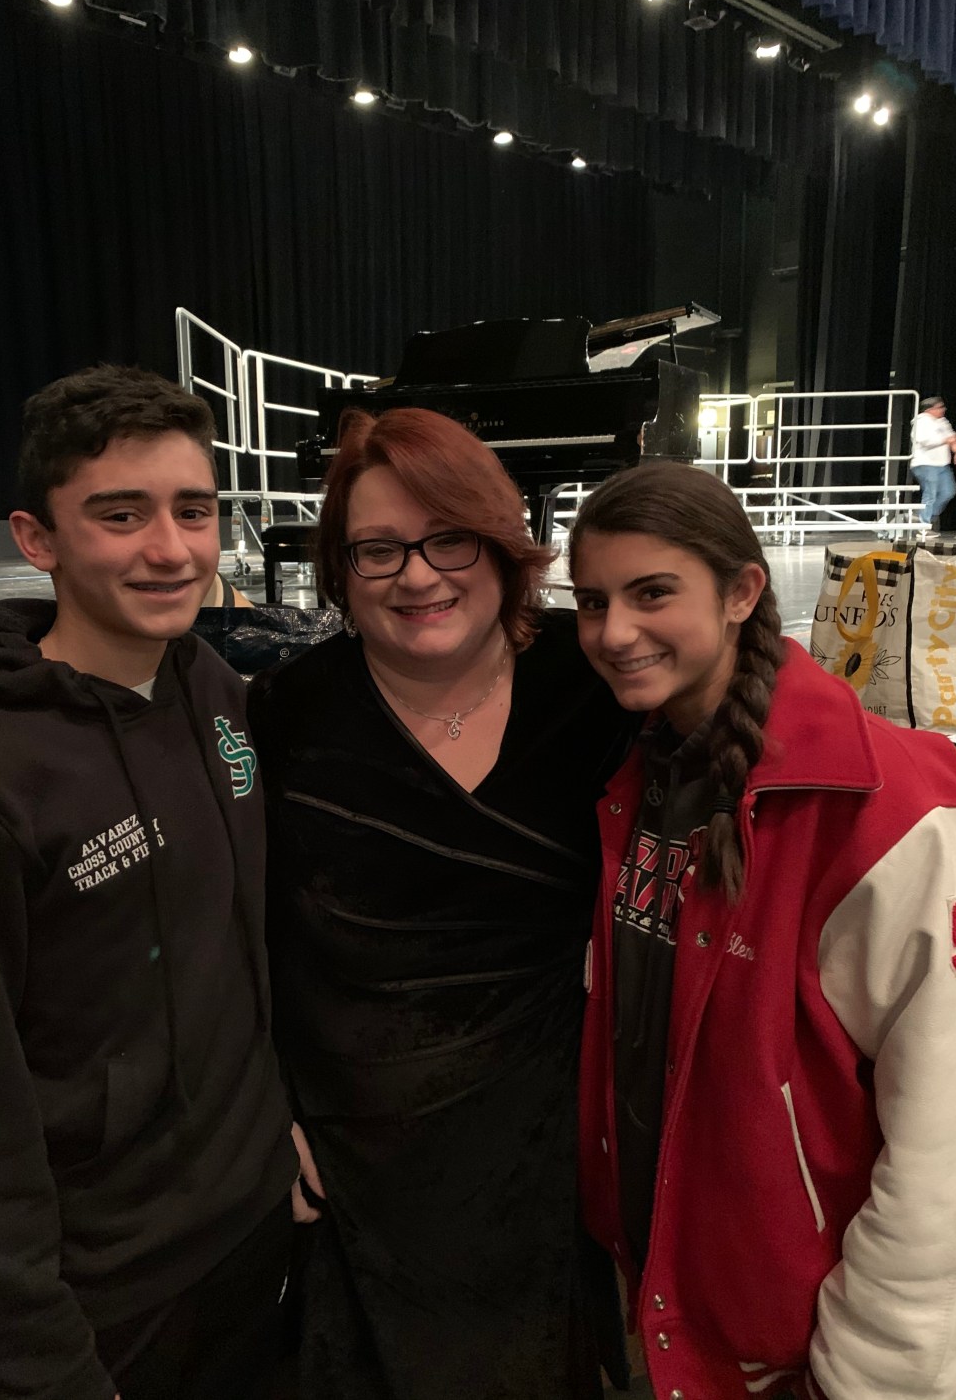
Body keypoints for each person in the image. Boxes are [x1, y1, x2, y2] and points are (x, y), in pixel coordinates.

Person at [0, 365, 297, 1400]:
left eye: (193, 510)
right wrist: (44, 1364)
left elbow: (233, 952)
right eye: (121, 515)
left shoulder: (210, 685)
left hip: (260, 1225)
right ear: (38, 539)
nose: (171, 549)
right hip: (113, 1298)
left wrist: (280, 1132)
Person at [248, 406, 638, 1400]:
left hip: (533, 1153)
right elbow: (234, 930)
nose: (417, 576)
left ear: (502, 544)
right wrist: (262, 1115)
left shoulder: (590, 681)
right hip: (348, 1155)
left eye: (448, 539)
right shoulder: (283, 711)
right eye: (377, 549)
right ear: (341, 572)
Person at [569, 461, 956, 1400]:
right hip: (678, 1312)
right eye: (592, 601)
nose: (614, 632)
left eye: (651, 593)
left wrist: (874, 1370)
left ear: (743, 591)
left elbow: (941, 1146)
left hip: (811, 1354)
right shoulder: (639, 776)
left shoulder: (881, 809)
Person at [910, 393, 956, 528]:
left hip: (942, 464)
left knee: (949, 491)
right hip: (925, 464)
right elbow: (925, 441)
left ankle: (922, 515)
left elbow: (953, 437)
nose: (943, 409)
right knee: (930, 494)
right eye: (940, 407)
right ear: (930, 409)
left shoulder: (943, 422)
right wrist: (946, 440)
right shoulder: (921, 421)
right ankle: (924, 525)